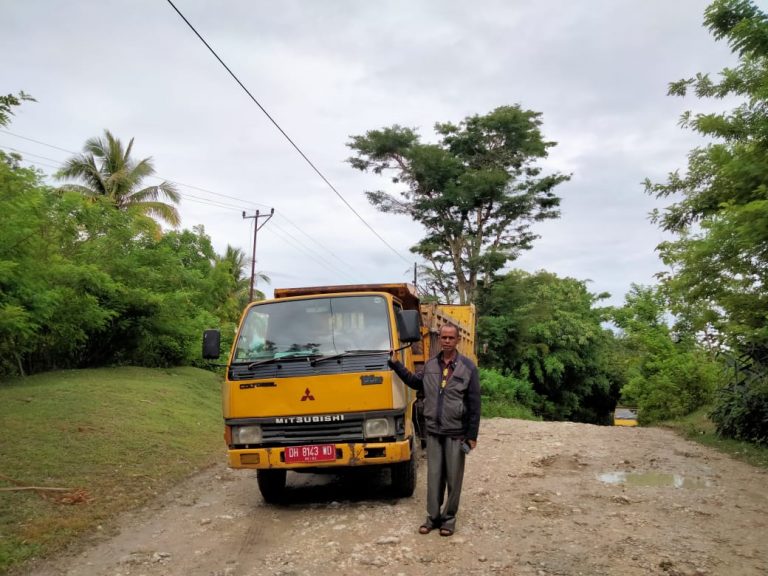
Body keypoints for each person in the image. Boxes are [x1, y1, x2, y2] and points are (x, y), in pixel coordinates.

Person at [388, 323, 481, 537]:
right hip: (434, 432)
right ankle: (432, 517)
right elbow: (414, 382)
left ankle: (449, 519)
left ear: (457, 340)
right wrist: (395, 364)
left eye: (451, 337)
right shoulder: (429, 366)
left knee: (453, 479)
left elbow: (475, 405)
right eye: (443, 337)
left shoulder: (468, 368)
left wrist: (472, 435)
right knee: (434, 476)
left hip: (456, 432)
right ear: (439, 339)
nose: (447, 340)